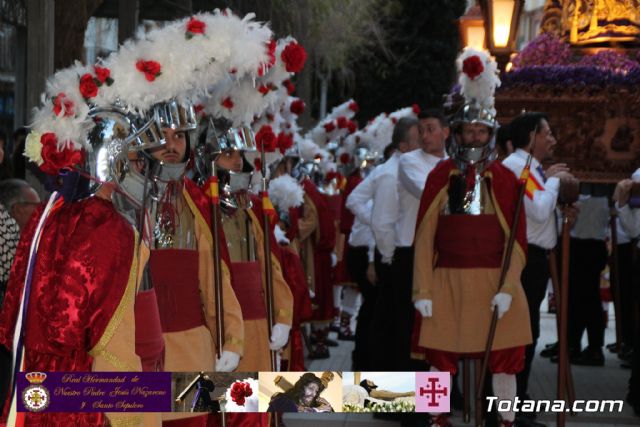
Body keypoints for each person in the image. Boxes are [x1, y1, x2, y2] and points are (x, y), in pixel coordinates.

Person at [412, 48, 531, 427]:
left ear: (491, 133)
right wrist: (423, 291)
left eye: (482, 130)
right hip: (446, 283)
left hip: (495, 283)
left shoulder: (507, 179)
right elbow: (425, 239)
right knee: (438, 356)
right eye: (469, 130)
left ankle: (507, 420)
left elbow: (517, 241)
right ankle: (435, 418)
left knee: (506, 357)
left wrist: (508, 287)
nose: (475, 136)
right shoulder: (440, 177)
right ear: (458, 132)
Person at [502, 112, 574, 421]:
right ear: (531, 137)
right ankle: (511, 407)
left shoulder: (529, 168)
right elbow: (540, 210)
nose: (552, 139)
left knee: (526, 333)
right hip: (523, 260)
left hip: (533, 260)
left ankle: (517, 400)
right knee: (521, 335)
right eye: (547, 133)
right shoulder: (519, 167)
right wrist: (555, 182)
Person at [208, 125, 294, 372]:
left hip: (257, 319)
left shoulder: (254, 207)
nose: (237, 161)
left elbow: (271, 266)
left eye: (239, 154)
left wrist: (282, 315)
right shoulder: (200, 204)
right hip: (219, 322)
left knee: (256, 404)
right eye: (228, 154)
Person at [394, 109, 448, 370]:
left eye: (431, 129)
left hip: (445, 253)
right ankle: (409, 402)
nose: (425, 136)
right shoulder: (409, 161)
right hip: (412, 251)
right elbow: (430, 191)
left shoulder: (455, 163)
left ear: (446, 132)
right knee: (409, 326)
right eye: (422, 130)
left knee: (441, 324)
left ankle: (442, 395)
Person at [367, 116, 421, 370]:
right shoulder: (393, 173)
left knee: (401, 327)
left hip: (406, 255)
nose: (424, 141)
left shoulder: (413, 167)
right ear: (403, 146)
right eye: (418, 137)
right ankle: (393, 400)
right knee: (396, 329)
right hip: (399, 256)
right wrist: (388, 257)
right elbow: (381, 222)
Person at [267, 373, 333, 413]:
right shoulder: (281, 399)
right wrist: (318, 410)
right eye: (311, 388)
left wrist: (329, 409)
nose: (314, 394)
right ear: (301, 386)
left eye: (316, 391)